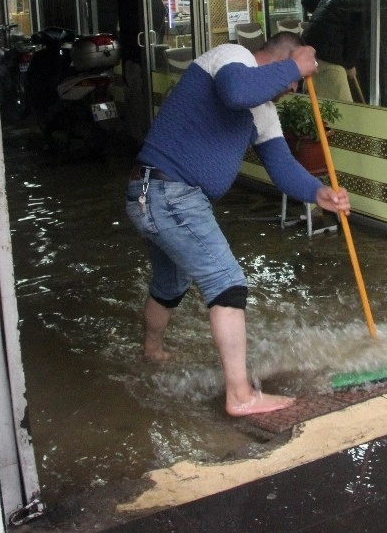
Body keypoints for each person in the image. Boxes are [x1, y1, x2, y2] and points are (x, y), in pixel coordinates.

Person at [125, 31, 352, 417]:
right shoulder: (232, 58)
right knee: (227, 283)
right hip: (169, 192)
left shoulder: (262, 110)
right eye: (293, 80)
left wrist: (318, 192)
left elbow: (281, 167)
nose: (291, 88)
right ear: (284, 59)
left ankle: (152, 351)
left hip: (156, 198)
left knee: (170, 282)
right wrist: (294, 65)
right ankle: (241, 395)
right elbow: (235, 92)